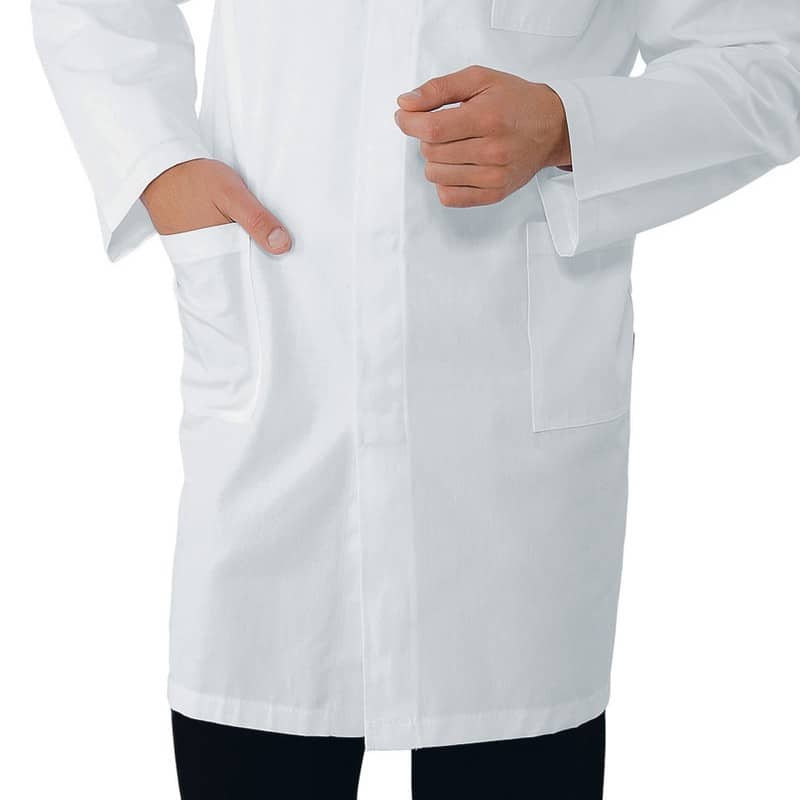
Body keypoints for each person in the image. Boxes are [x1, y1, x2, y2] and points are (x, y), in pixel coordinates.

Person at [32, 1, 800, 797]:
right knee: (257, 708)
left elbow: (769, 59)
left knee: (514, 738)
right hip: (280, 382)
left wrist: (569, 127)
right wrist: (158, 164)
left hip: (507, 460)